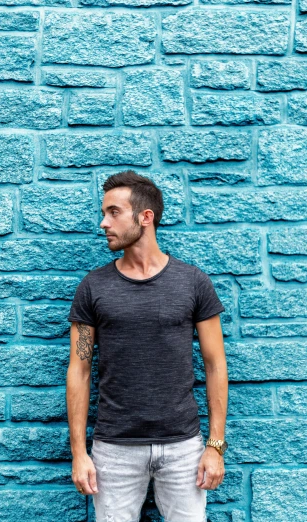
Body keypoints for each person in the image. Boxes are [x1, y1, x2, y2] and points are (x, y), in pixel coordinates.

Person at [66, 170, 229, 522]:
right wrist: (79, 453)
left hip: (183, 447)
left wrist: (215, 447)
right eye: (104, 213)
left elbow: (216, 365)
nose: (102, 223)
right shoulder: (92, 288)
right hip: (114, 450)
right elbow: (78, 369)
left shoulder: (193, 283)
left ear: (145, 217)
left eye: (113, 212)